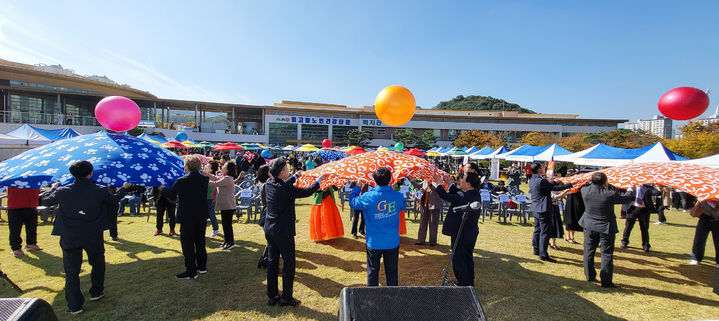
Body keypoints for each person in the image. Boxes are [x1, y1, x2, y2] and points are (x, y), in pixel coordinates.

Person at [40, 161, 130, 314]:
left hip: (70, 235)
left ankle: (74, 305)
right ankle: (96, 291)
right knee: (97, 263)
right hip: (92, 233)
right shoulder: (99, 190)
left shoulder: (63, 191)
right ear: (90, 173)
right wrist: (123, 189)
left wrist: (54, 187)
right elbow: (114, 201)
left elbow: (45, 200)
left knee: (71, 271)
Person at [264, 157, 325, 306]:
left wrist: (296, 176)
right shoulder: (286, 189)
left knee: (272, 262)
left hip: (270, 229)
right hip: (283, 231)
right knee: (289, 263)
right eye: (286, 169)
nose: (288, 170)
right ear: (282, 171)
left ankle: (272, 296)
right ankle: (286, 297)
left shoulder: (269, 184)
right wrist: (319, 180)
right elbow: (307, 192)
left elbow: (284, 184)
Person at [350, 167, 406, 287]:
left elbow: (353, 202)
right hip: (391, 241)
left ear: (374, 180)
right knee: (392, 273)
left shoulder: (368, 196)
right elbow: (402, 207)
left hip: (374, 242)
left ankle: (373, 298)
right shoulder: (398, 196)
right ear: (390, 179)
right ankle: (393, 297)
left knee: (372, 272)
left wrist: (357, 187)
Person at [579, 172, 635, 288]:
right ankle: (606, 281)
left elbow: (585, 185)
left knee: (588, 251)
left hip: (589, 224)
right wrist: (630, 188)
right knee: (606, 254)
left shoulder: (585, 190)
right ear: (605, 182)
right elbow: (625, 199)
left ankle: (589, 276)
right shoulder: (609, 194)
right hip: (605, 227)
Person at [160, 156, 211, 280]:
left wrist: (162, 189)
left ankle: (191, 270)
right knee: (200, 241)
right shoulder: (204, 179)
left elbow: (171, 194)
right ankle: (202, 267)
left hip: (188, 215)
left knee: (187, 244)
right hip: (201, 214)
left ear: (187, 166)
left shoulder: (182, 180)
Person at [435, 172, 482, 286]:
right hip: (471, 232)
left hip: (461, 232)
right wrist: (450, 184)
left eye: (463, 179)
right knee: (467, 257)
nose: (460, 180)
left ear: (468, 184)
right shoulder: (474, 194)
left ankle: (463, 284)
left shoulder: (465, 197)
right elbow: (459, 194)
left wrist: (437, 184)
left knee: (459, 258)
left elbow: (447, 197)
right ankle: (469, 282)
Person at [528, 162, 573, 263]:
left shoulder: (532, 179)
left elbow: (547, 186)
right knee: (545, 232)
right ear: (539, 169)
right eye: (542, 167)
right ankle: (543, 254)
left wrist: (555, 181)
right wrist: (569, 185)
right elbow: (554, 188)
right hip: (543, 208)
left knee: (537, 229)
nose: (544, 168)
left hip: (536, 207)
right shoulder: (542, 180)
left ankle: (536, 250)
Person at [205, 161, 240, 250]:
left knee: (227, 225)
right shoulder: (225, 177)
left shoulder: (228, 178)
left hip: (228, 205)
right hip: (226, 205)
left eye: (224, 166)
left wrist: (203, 180)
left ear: (228, 169)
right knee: (225, 224)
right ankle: (226, 241)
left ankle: (230, 242)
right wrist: (205, 173)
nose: (222, 167)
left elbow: (215, 183)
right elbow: (216, 178)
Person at [621, 184, 660, 252]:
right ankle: (624, 241)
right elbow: (624, 196)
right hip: (632, 208)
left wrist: (659, 188)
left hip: (644, 210)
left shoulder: (648, 187)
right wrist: (630, 189)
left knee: (644, 228)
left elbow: (656, 193)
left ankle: (646, 245)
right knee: (628, 226)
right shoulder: (631, 186)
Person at [7, 187, 43, 257]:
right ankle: (16, 248)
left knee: (32, 227)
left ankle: (31, 244)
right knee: (15, 229)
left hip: (31, 205)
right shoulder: (13, 177)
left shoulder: (33, 178)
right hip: (15, 206)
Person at [688, 199, 719, 266]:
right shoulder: (706, 192)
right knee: (699, 239)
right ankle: (696, 258)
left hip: (717, 219)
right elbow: (700, 201)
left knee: (718, 242)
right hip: (704, 218)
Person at [414, 179, 442, 246]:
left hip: (434, 204)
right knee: (423, 222)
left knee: (433, 223)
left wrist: (431, 185)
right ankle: (421, 240)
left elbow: (438, 190)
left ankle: (432, 241)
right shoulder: (425, 180)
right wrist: (411, 180)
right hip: (425, 204)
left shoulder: (439, 180)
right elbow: (418, 186)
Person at [255, 165, 271, 269]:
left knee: (270, 240)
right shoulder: (266, 185)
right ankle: (264, 260)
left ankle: (264, 260)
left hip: (265, 212)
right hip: (268, 213)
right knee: (272, 240)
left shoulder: (263, 183)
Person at [204, 161, 221, 237]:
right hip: (204, 197)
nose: (205, 167)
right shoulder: (204, 176)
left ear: (211, 169)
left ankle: (215, 229)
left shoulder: (212, 177)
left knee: (211, 215)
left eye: (207, 166)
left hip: (210, 198)